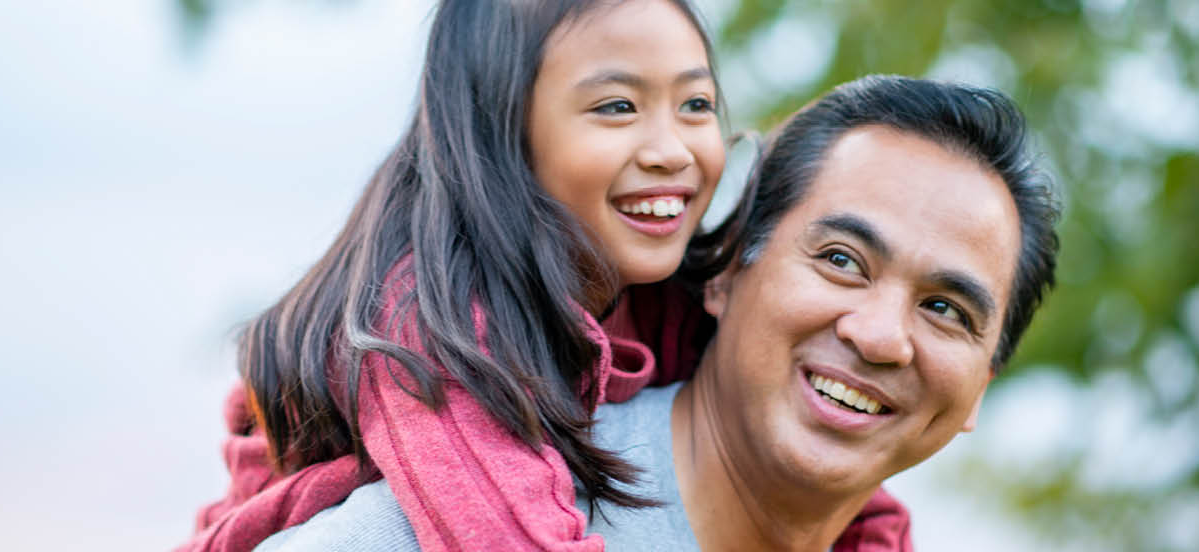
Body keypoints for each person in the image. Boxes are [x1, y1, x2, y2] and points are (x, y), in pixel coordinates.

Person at [254, 75, 1062, 551]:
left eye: (946, 309)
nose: (880, 335)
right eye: (841, 261)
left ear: (981, 389)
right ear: (726, 272)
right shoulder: (472, 515)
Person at [177, 1, 735, 550]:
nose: (671, 150)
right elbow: (507, 540)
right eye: (617, 106)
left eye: (696, 103)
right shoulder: (423, 321)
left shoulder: (675, 293)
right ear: (498, 129)